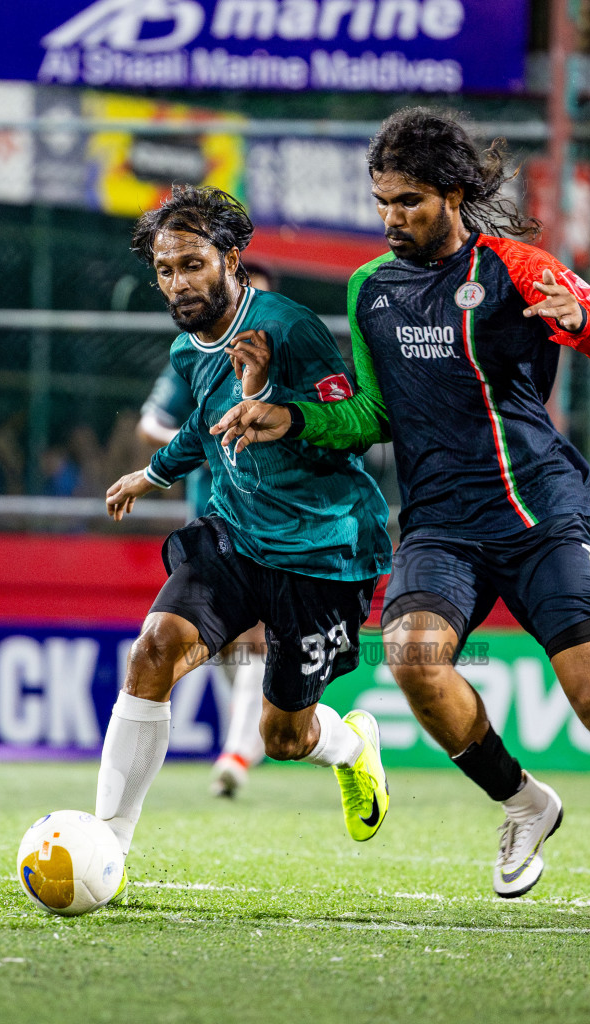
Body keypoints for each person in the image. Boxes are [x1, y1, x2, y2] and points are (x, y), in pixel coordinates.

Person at [213, 107, 590, 934]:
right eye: (382, 201)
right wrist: (292, 417)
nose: (391, 217)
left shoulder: (514, 267)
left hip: (538, 510)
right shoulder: (371, 290)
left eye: (407, 201)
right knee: (413, 660)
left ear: (452, 194)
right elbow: (374, 415)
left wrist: (579, 317)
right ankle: (524, 803)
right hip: (442, 523)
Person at [100, 185, 394, 868]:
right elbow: (204, 424)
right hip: (234, 533)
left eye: (193, 264)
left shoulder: (290, 329)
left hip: (320, 550)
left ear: (231, 259)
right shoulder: (187, 349)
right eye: (166, 270)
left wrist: (276, 405)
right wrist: (153, 475)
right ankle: (107, 847)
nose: (179, 283)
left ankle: (351, 746)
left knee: (284, 737)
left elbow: (356, 431)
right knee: (151, 654)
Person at [137, 261, 281, 798]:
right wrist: (197, 441)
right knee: (227, 645)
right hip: (211, 519)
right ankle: (252, 736)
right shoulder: (196, 357)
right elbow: (151, 423)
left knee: (255, 638)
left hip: (277, 522)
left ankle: (237, 753)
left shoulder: (289, 354)